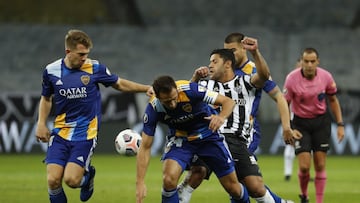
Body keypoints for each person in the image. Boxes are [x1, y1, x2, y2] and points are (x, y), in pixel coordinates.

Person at [35, 29, 153, 203]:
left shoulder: (95, 67)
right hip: (60, 133)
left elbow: (119, 84)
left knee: (72, 181)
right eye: (81, 54)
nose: (84, 58)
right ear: (68, 52)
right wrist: (41, 123)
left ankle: (87, 178)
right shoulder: (51, 71)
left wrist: (146, 88)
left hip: (85, 134)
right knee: (53, 181)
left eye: (87, 54)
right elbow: (46, 98)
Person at [178, 34, 294, 203]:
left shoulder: (249, 76)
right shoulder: (207, 83)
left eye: (232, 50)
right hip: (211, 135)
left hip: (242, 134)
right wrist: (195, 78)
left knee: (248, 183)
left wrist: (286, 126)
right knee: (200, 171)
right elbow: (186, 98)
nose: (210, 65)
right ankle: (180, 194)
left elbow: (275, 92)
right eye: (227, 51)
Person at [136, 75, 250, 203]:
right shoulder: (153, 108)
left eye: (174, 98)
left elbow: (228, 102)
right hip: (181, 140)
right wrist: (140, 182)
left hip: (209, 137)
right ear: (157, 97)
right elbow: (145, 147)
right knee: (168, 179)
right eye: (167, 102)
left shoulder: (191, 90)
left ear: (177, 90)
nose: (172, 104)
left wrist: (221, 117)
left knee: (233, 188)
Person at [283, 47, 345, 203]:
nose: (309, 65)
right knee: (304, 166)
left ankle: (319, 201)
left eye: (312, 61)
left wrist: (340, 124)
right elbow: (284, 104)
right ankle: (304, 195)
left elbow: (332, 100)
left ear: (317, 62)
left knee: (320, 164)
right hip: (300, 124)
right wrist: (288, 127)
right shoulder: (291, 79)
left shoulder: (326, 77)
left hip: (321, 122)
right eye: (306, 61)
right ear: (302, 62)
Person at [284, 58, 301, 181]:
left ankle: (304, 172)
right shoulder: (291, 80)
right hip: (293, 117)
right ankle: (288, 173)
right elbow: (285, 102)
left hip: (307, 119)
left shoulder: (312, 80)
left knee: (307, 147)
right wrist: (288, 121)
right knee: (290, 145)